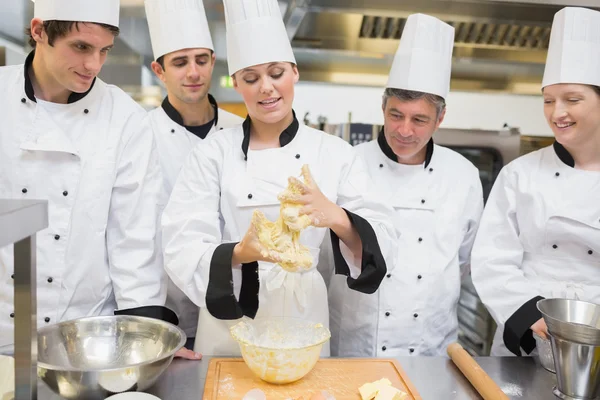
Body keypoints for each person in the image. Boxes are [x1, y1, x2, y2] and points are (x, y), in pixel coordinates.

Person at [161, 0, 396, 356]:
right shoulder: (213, 153)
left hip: (305, 318)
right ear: (236, 83)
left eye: (276, 73)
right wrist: (240, 253)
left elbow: (385, 241)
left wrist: (336, 216)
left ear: (295, 72)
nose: (266, 88)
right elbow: (181, 241)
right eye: (251, 79)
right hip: (232, 319)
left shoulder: (334, 153)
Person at [0, 0, 175, 353]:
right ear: (39, 32)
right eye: (80, 47)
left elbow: (134, 241)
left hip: (86, 338)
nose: (93, 65)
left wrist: (143, 338)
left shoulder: (124, 119)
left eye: (104, 51)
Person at [326, 13, 483, 357]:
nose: (405, 130)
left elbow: (466, 260)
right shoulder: (347, 163)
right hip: (356, 345)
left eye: (420, 119)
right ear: (383, 107)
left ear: (440, 118)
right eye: (396, 115)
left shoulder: (463, 175)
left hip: (430, 347)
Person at [471, 6, 600, 356]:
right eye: (548, 100)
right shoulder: (520, 174)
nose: (557, 113)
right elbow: (490, 259)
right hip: (530, 335)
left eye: (572, 99)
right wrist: (532, 314)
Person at [144, 0, 243, 357]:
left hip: (235, 310)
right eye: (180, 62)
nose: (193, 72)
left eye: (202, 60)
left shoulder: (241, 131)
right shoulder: (141, 135)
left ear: (213, 62)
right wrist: (147, 321)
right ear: (159, 69)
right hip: (164, 313)